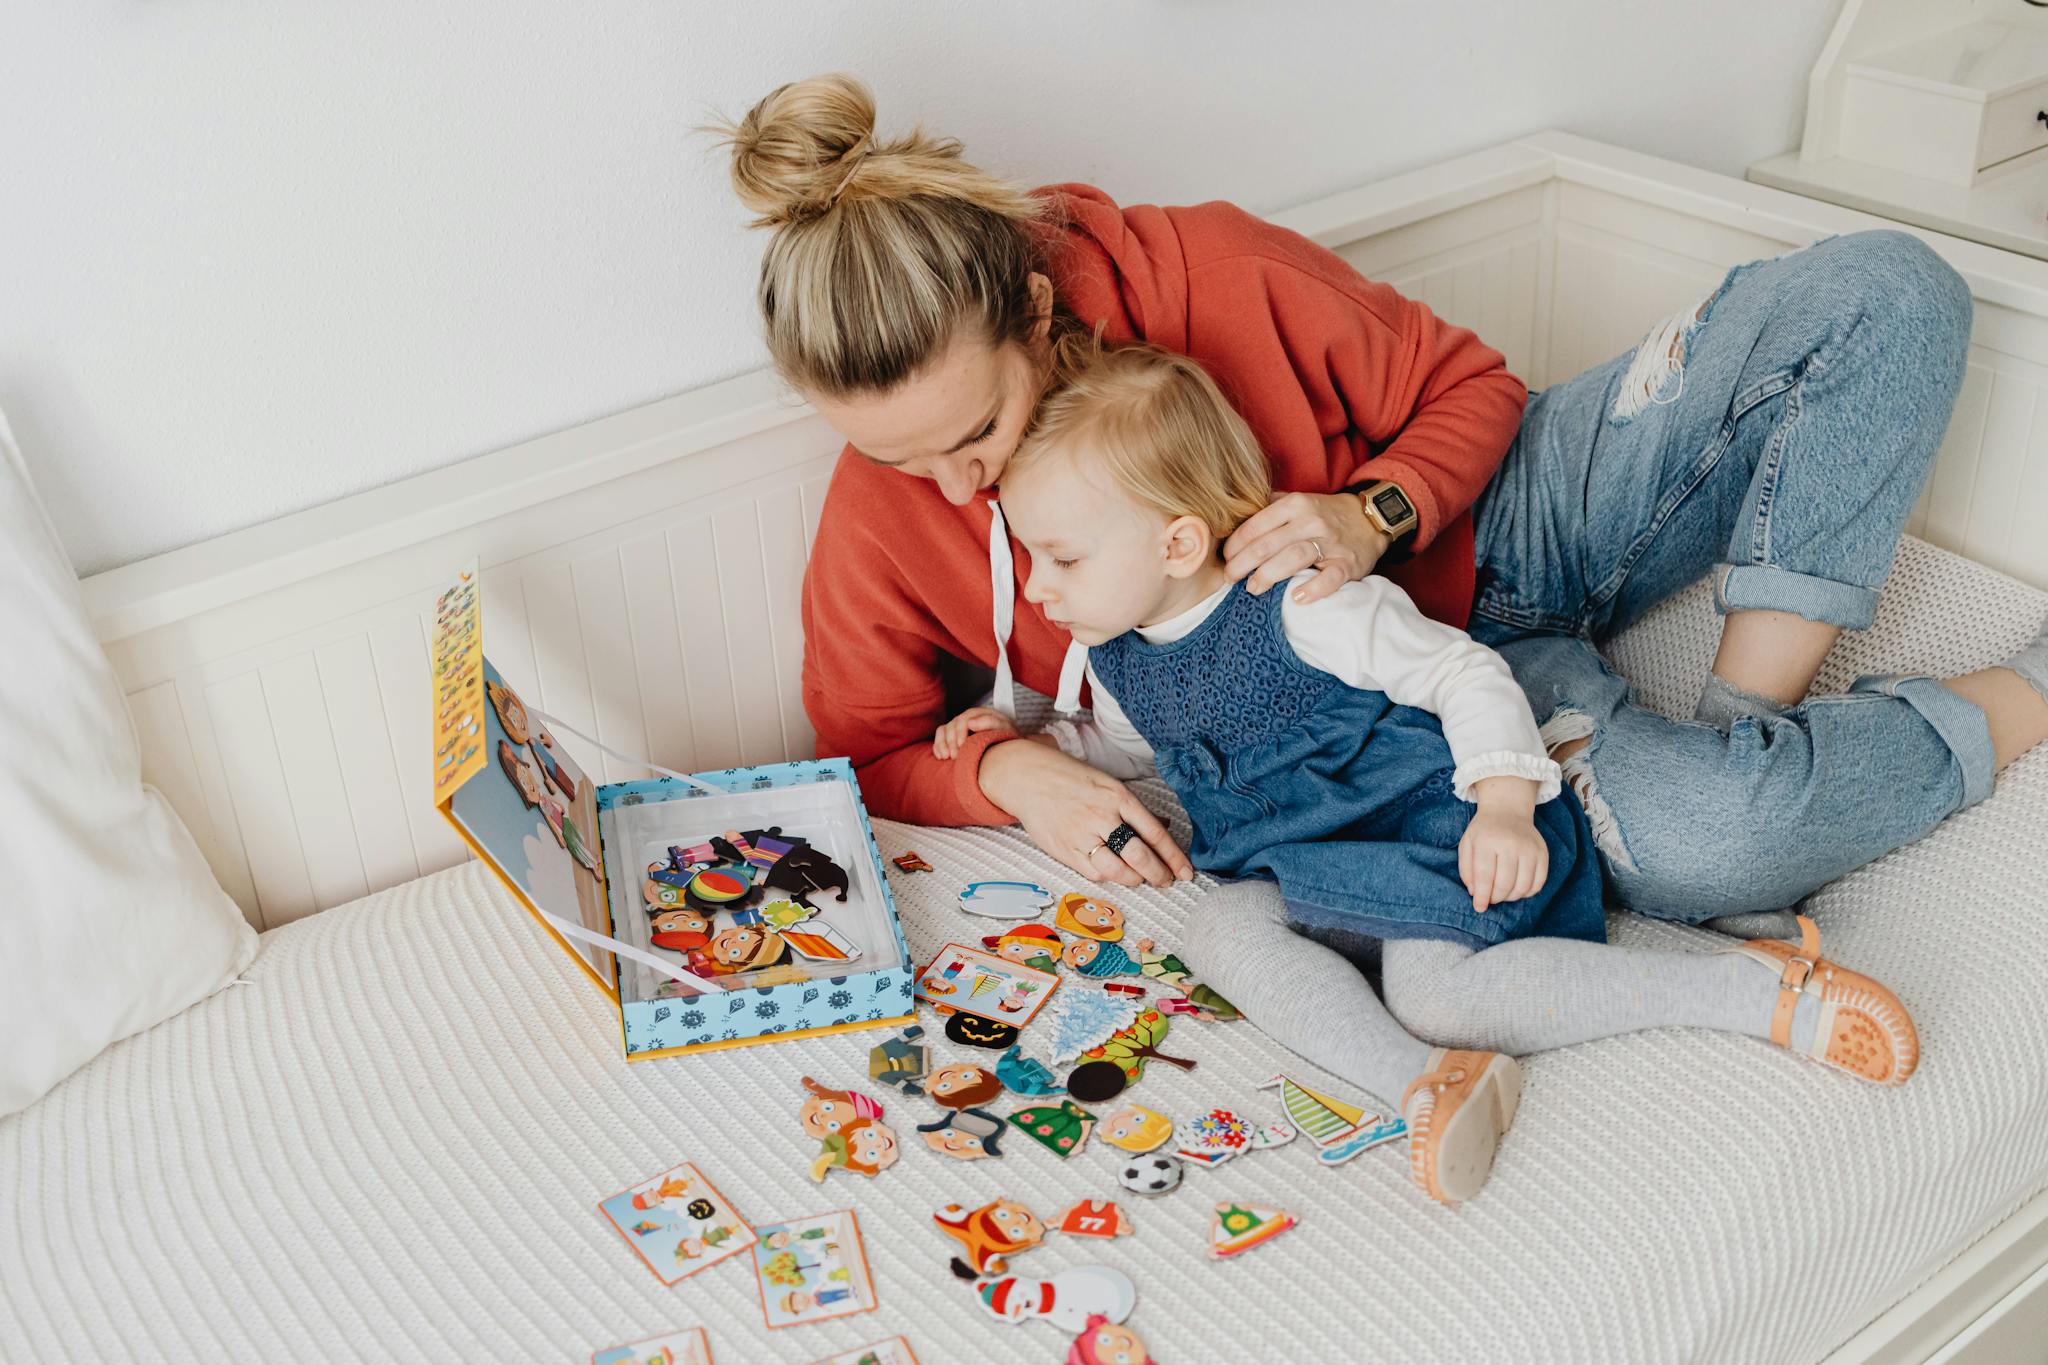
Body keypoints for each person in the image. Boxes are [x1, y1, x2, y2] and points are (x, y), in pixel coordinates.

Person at [713, 73, 2048, 921]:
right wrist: (1013, 776)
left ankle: (1752, 713)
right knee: (1716, 846)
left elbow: (1473, 391)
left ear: (1045, 322)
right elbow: (866, 747)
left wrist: (1376, 513)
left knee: (1890, 288)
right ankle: (2015, 698)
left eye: (978, 432)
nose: (958, 486)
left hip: (1513, 518)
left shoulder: (1212, 268)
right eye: (901, 460)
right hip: (1438, 696)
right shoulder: (889, 513)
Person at [978, 333, 1917, 1202]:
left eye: (1059, 557)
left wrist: (1504, 804)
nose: (1037, 585)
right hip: (1304, 864)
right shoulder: (1124, 652)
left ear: (1177, 542)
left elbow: (1466, 671)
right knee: (1218, 925)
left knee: (1433, 989)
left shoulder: (1306, 607)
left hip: (1433, 830)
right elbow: (1148, 750)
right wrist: (1038, 751)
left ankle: (1756, 993)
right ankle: (1425, 1083)